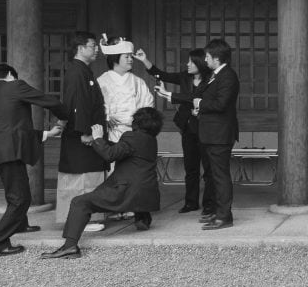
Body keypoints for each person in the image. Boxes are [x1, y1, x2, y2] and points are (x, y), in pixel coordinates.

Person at [41, 107, 164, 259]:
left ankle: (70, 246)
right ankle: (142, 217)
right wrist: (96, 142)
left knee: (80, 202)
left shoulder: (131, 136)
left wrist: (98, 137)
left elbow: (110, 155)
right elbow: (123, 150)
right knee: (134, 185)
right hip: (146, 193)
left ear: (136, 122)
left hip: (126, 191)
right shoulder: (150, 141)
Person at [0, 63, 69, 257]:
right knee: (20, 199)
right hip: (8, 151)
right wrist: (65, 117)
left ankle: (20, 224)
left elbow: (12, 128)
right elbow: (50, 102)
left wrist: (48, 133)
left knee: (16, 190)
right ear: (11, 74)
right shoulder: (15, 86)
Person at [135, 47, 216, 215]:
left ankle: (209, 204)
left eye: (191, 62)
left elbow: (194, 98)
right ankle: (191, 202)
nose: (187, 64)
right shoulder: (185, 77)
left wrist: (169, 95)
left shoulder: (211, 79)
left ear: (200, 64)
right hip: (187, 127)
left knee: (209, 169)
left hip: (206, 128)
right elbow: (161, 74)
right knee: (191, 168)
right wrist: (144, 60)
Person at [56, 31, 110, 231]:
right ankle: (79, 219)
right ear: (80, 49)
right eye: (92, 46)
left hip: (87, 130)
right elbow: (77, 104)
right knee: (81, 178)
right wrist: (84, 132)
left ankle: (84, 217)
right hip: (82, 134)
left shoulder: (83, 70)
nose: (96, 49)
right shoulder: (77, 71)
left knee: (89, 176)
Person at [195, 38, 240, 230]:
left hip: (220, 135)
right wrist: (170, 96)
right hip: (212, 133)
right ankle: (219, 212)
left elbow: (221, 104)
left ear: (217, 58)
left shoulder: (228, 76)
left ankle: (224, 216)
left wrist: (200, 104)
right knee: (214, 175)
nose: (205, 60)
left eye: (207, 56)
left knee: (220, 176)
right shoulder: (215, 75)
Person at [97, 35, 154, 144]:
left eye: (131, 57)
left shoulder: (138, 82)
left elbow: (148, 103)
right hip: (111, 131)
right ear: (115, 58)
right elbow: (95, 105)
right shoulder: (102, 81)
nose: (131, 60)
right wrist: (105, 115)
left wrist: (139, 122)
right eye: (126, 57)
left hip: (135, 132)